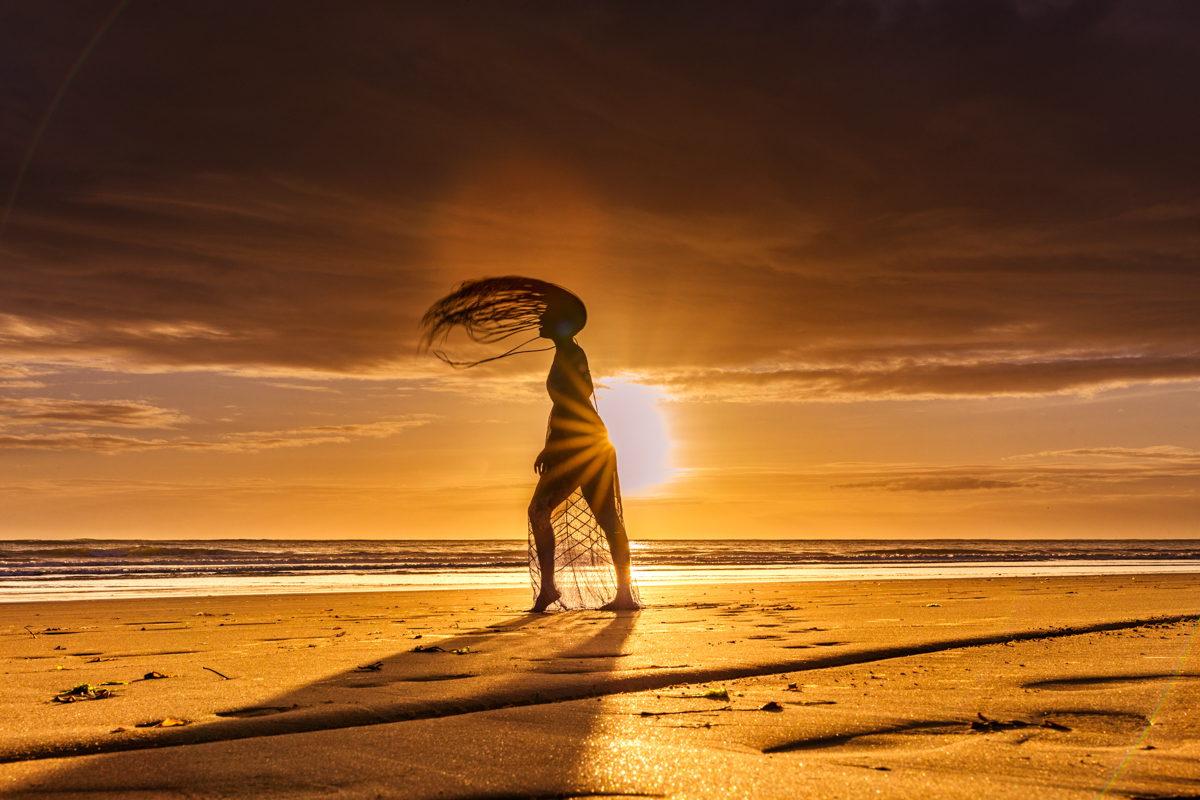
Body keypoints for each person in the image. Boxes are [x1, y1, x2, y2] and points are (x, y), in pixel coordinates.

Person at [420, 277, 640, 612]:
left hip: (582, 444)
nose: (538, 320)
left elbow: (577, 400)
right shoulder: (566, 352)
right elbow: (569, 401)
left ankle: (563, 589)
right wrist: (552, 442)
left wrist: (552, 448)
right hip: (589, 442)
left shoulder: (571, 352)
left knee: (542, 511)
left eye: (545, 316)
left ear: (560, 324)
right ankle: (604, 592)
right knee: (604, 518)